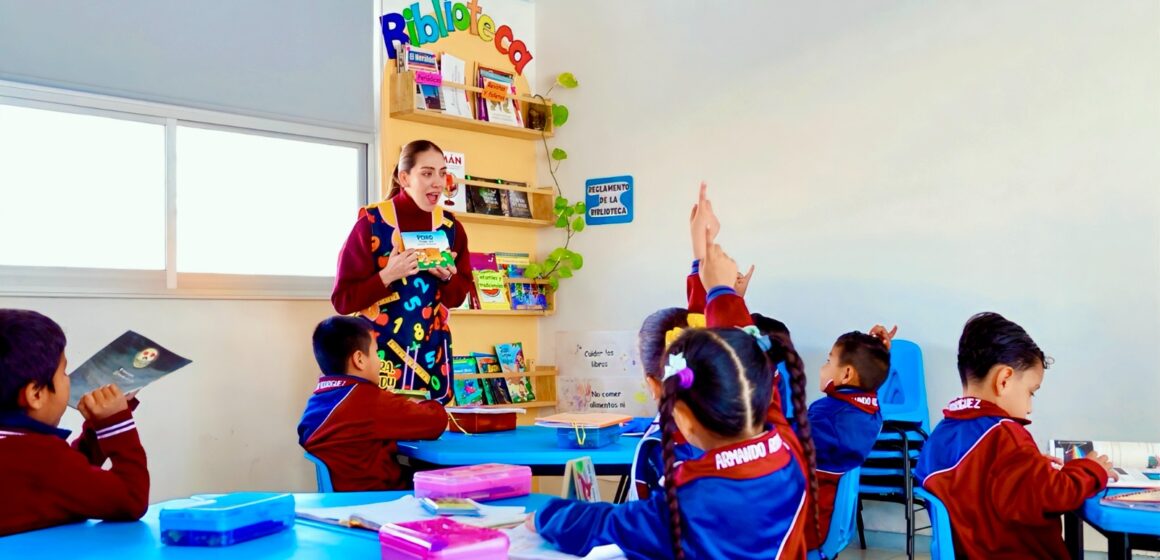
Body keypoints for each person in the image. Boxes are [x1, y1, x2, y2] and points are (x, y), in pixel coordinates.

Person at [915, 312, 1118, 558]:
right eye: (1031, 392)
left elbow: (982, 486)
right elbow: (1055, 495)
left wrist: (1031, 466)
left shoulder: (939, 436)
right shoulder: (1004, 435)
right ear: (1004, 380)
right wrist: (1090, 468)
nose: (1030, 406)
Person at [331, 139, 474, 403]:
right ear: (404, 177)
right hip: (375, 357)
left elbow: (457, 298)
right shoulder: (371, 224)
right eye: (427, 173)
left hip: (429, 356)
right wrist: (388, 275)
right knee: (379, 435)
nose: (438, 182)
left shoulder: (451, 228)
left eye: (442, 173)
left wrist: (448, 279)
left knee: (426, 436)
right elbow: (342, 300)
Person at [0, 309, 149, 536]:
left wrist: (97, 426)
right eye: (64, 372)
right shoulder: (43, 459)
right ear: (36, 395)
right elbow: (131, 498)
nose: (68, 380)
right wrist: (115, 424)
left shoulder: (21, 450)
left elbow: (73, 479)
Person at [297, 316, 447, 491]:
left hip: (340, 500)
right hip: (382, 499)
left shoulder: (316, 401)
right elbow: (436, 422)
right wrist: (422, 405)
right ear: (359, 359)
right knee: (449, 475)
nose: (380, 361)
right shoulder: (368, 399)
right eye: (376, 352)